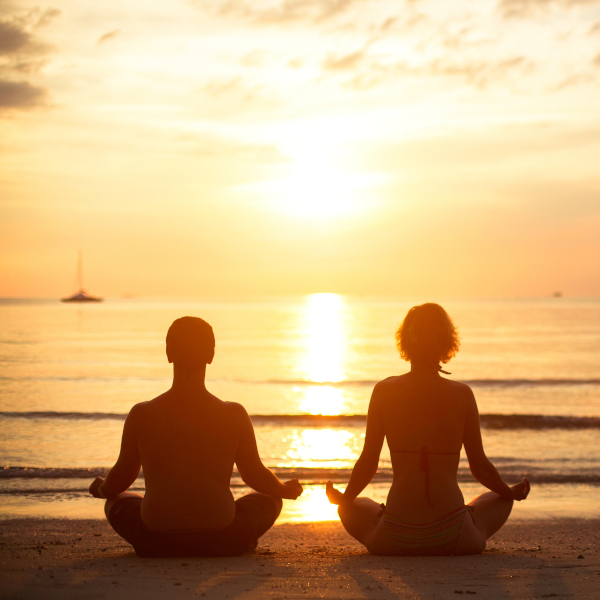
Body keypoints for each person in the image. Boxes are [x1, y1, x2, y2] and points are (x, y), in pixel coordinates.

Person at [325, 303, 530, 556]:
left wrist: (344, 498)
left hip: (394, 535)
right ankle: (468, 519)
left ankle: (379, 522)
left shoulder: (383, 391)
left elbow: (369, 462)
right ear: (447, 341)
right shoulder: (462, 394)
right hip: (454, 535)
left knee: (352, 505)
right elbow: (480, 467)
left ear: (404, 341)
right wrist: (509, 492)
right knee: (500, 498)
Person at [89, 316, 303, 557]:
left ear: (169, 353)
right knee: (270, 499)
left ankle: (156, 540)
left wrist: (103, 490)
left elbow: (122, 477)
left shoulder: (142, 413)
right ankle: (242, 541)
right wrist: (283, 490)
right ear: (210, 355)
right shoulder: (233, 413)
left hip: (156, 540)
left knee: (117, 500)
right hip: (222, 538)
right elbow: (254, 474)